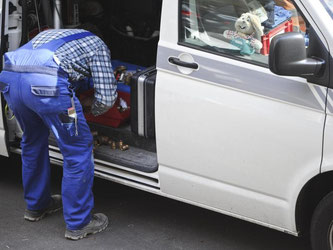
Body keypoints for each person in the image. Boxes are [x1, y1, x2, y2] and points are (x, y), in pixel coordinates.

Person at [0, 29, 117, 240]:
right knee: (77, 149)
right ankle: (79, 223)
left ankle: (37, 206)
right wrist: (89, 109)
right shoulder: (99, 46)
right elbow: (107, 98)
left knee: (32, 141)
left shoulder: (54, 34)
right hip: (47, 88)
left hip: (10, 80)